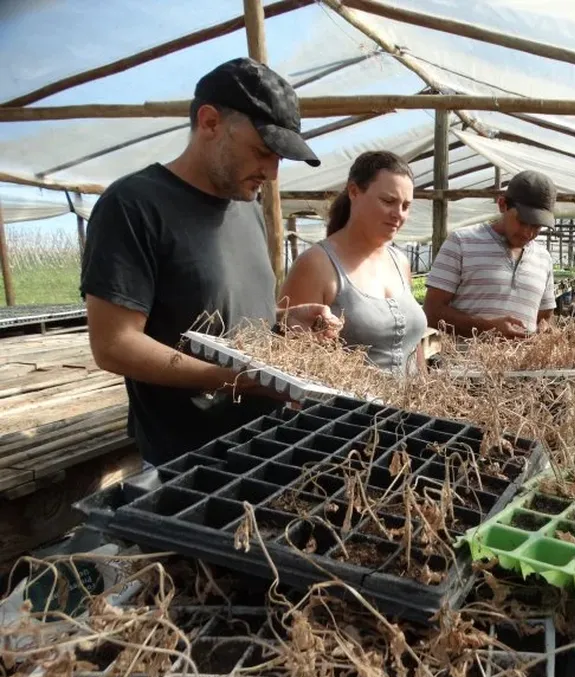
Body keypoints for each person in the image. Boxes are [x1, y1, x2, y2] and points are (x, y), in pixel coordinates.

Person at [81, 57, 337, 467]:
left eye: (279, 159)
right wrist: (237, 380)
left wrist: (283, 320)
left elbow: (222, 313)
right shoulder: (134, 206)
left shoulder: (247, 207)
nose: (271, 172)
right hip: (189, 461)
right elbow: (114, 345)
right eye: (262, 151)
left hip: (265, 444)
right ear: (210, 122)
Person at [278, 151, 428, 376]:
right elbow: (291, 359)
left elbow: (415, 349)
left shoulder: (400, 262)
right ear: (354, 191)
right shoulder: (317, 265)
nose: (398, 214)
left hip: (411, 408)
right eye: (388, 201)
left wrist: (428, 394)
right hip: (348, 408)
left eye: (406, 206)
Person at [423, 170, 557, 339]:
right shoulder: (461, 242)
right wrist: (487, 328)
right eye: (522, 222)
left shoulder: (543, 258)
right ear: (502, 204)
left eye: (537, 226)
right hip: (465, 364)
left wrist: (545, 330)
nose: (528, 233)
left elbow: (544, 318)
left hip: (525, 365)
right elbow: (431, 312)